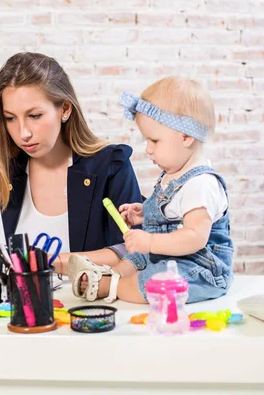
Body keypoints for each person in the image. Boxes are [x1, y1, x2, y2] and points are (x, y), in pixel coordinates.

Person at [67, 76, 234, 304]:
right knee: (136, 257)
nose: (148, 150)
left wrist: (151, 242)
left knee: (157, 281)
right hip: (169, 255)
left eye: (154, 141)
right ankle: (111, 274)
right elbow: (172, 213)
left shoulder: (201, 183)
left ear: (185, 137)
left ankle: (109, 286)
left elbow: (195, 237)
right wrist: (144, 212)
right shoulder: (173, 172)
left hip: (199, 268)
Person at [0, 52, 143, 265]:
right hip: (12, 299)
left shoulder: (110, 166)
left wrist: (48, 263)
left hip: (88, 298)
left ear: (64, 109)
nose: (23, 132)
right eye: (10, 118)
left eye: (34, 116)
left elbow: (133, 251)